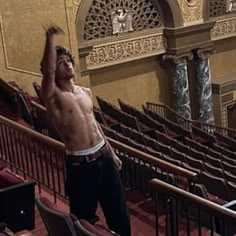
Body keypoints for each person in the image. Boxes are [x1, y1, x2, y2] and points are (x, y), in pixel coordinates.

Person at [40, 25, 131, 236]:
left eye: (68, 60)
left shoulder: (85, 91)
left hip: (104, 157)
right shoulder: (53, 96)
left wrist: (112, 152)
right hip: (81, 166)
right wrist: (50, 39)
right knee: (83, 219)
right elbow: (48, 71)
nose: (67, 64)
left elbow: (94, 125)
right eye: (60, 62)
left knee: (119, 212)